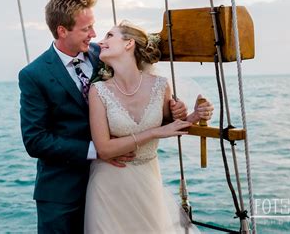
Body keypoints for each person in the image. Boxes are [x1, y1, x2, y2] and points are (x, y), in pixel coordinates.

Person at [19, 0, 189, 233]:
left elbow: (139, 84)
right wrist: (97, 151)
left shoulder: (106, 54)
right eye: (86, 28)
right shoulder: (33, 75)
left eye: (94, 26)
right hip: (63, 192)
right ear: (62, 31)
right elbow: (35, 140)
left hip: (116, 185)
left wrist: (173, 109)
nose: (94, 34)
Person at [84, 20, 214, 233]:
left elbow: (168, 126)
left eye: (109, 36)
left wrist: (195, 116)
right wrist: (154, 132)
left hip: (148, 182)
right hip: (108, 187)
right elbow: (104, 149)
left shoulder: (160, 85)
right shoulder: (98, 91)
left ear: (129, 44)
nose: (101, 41)